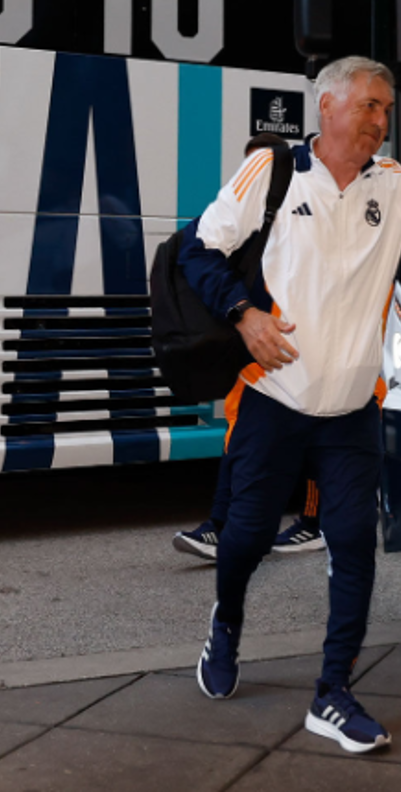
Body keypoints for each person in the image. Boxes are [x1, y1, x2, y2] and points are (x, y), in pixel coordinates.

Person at [181, 54, 401, 753]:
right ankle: (226, 623)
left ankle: (332, 694)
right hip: (274, 403)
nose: (380, 122)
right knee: (243, 537)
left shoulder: (392, 186)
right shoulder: (271, 173)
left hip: (351, 413)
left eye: (387, 111)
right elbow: (199, 251)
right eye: (369, 106)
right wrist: (244, 313)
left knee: (355, 545)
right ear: (327, 106)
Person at [173, 132, 324, 562]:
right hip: (279, 336)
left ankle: (234, 527)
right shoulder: (252, 210)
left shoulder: (305, 201)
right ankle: (251, 525)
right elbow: (199, 246)